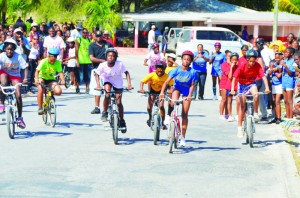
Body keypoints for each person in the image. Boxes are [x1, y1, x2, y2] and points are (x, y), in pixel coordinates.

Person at [160, 50, 198, 147]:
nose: (186, 61)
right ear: (181, 60)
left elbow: (192, 85)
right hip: (177, 88)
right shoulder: (176, 70)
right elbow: (166, 82)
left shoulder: (193, 72)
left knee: (184, 114)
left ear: (190, 61)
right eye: (184, 59)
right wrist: (161, 93)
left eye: (188, 60)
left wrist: (189, 95)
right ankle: (169, 116)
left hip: (186, 91)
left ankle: (183, 137)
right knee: (173, 102)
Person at [230, 49, 270, 138]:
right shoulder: (242, 66)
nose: (252, 63)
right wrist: (233, 89)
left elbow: (263, 76)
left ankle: (255, 113)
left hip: (251, 84)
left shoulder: (257, 66)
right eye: (250, 61)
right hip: (242, 85)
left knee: (256, 95)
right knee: (243, 107)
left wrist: (267, 87)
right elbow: (234, 79)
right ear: (247, 59)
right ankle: (239, 129)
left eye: (253, 61)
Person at [94, 48, 132, 133]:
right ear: (106, 57)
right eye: (109, 56)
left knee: (119, 102)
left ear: (115, 58)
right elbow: (96, 74)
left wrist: (129, 84)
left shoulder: (120, 64)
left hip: (118, 82)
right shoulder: (102, 65)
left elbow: (126, 73)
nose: (111, 57)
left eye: (113, 56)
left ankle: (122, 120)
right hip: (107, 80)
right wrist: (98, 85)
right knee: (107, 94)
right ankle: (104, 112)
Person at [0, 39, 28, 128]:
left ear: (14, 50)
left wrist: (25, 78)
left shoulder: (18, 56)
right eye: (8, 49)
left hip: (15, 76)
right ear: (5, 49)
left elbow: (25, 67)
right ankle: (1, 103)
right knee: (3, 84)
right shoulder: (1, 56)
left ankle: (20, 118)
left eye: (11, 49)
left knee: (18, 95)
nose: (9, 51)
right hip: (4, 73)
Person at [140, 62, 171, 129]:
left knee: (161, 106)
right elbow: (142, 81)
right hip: (152, 91)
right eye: (158, 68)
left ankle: (163, 122)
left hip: (162, 92)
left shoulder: (167, 76)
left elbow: (172, 85)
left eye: (162, 68)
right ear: (155, 69)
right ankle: (150, 117)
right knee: (149, 107)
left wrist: (170, 93)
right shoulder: (152, 75)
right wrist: (141, 89)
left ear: (164, 69)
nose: (160, 70)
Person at [35, 47, 65, 115]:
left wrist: (63, 80)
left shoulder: (57, 63)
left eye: (56, 57)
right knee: (40, 89)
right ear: (49, 56)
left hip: (51, 79)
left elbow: (60, 72)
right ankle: (40, 108)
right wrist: (36, 79)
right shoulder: (44, 61)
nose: (54, 60)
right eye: (53, 57)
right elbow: (37, 71)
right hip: (42, 78)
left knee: (59, 91)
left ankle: (50, 96)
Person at [89, 30, 113, 114]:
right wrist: (103, 61)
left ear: (102, 36)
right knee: (97, 88)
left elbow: (113, 54)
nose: (99, 37)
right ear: (94, 36)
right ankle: (97, 107)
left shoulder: (108, 44)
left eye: (100, 36)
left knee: (108, 89)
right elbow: (92, 58)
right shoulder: (92, 45)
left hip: (107, 69)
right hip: (96, 69)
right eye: (97, 36)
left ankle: (109, 106)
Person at [75, 28, 92, 94]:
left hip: (88, 61)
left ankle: (87, 88)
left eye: (86, 33)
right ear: (82, 33)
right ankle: (78, 87)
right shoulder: (78, 40)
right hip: (81, 61)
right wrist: (77, 60)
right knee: (80, 76)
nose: (85, 34)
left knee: (88, 76)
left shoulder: (89, 40)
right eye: (84, 33)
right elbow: (76, 51)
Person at [225, 52, 239, 122]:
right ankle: (230, 115)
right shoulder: (227, 67)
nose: (234, 61)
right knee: (229, 101)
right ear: (230, 60)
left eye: (236, 59)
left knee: (238, 101)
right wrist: (231, 67)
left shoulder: (239, 67)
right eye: (233, 59)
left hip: (237, 86)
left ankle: (237, 115)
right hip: (229, 86)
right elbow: (230, 77)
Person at [282, 47, 296, 119]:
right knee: (285, 101)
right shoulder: (285, 60)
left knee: (290, 101)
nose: (285, 53)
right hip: (284, 81)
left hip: (289, 82)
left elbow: (291, 73)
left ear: (291, 54)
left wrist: (285, 66)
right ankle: (287, 117)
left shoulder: (293, 62)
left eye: (287, 52)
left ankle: (291, 117)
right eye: (285, 52)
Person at [267, 59, 282, 124]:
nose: (271, 66)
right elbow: (268, 74)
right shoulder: (271, 70)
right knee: (274, 102)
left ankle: (279, 117)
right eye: (270, 65)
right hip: (273, 85)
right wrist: (271, 70)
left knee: (277, 102)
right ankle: (275, 117)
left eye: (273, 65)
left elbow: (279, 76)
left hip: (279, 85)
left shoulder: (279, 69)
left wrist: (275, 71)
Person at [219, 50, 232, 120]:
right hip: (224, 84)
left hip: (230, 84)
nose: (230, 57)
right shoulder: (223, 64)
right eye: (229, 56)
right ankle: (221, 114)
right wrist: (231, 65)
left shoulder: (233, 64)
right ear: (226, 56)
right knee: (224, 99)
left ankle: (227, 114)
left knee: (229, 100)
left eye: (231, 56)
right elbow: (228, 74)